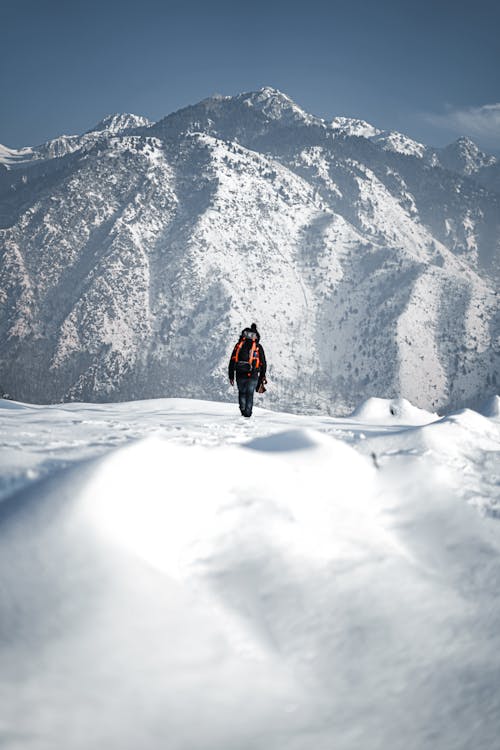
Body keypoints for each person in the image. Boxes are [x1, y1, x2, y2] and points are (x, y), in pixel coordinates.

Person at [228, 323, 267, 417]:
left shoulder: (239, 345)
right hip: (253, 375)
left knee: (242, 392)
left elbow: (232, 360)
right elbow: (263, 363)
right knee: (250, 394)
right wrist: (262, 376)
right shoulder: (258, 347)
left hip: (240, 374)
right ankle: (248, 413)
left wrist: (231, 376)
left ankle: (242, 410)